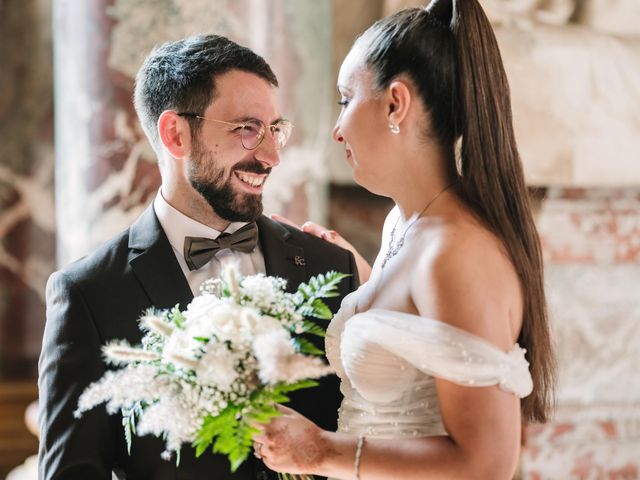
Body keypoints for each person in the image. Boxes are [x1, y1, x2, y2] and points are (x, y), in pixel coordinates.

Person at [253, 0, 556, 478]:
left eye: (345, 100)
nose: (336, 129)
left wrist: (319, 451)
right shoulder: (404, 223)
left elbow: (487, 463)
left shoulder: (454, 252)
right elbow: (421, 346)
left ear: (396, 103)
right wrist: (363, 278)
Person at [38, 34, 359, 480]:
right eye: (247, 129)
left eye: (275, 130)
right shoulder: (91, 294)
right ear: (175, 134)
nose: (271, 156)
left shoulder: (330, 266)